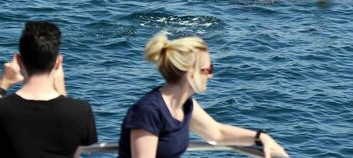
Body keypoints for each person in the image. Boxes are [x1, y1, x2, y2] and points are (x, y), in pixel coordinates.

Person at [118, 32, 288, 158]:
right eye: (208, 70)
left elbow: (217, 133)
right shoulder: (148, 111)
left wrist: (260, 137)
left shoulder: (184, 104)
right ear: (191, 73)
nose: (211, 75)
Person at [0, 21, 98, 158]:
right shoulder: (80, 112)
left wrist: (1, 84)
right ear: (58, 62)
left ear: (18, 60)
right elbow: (78, 151)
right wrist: (60, 82)